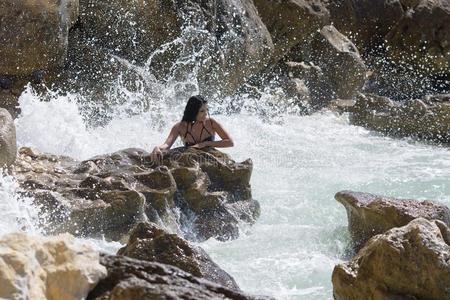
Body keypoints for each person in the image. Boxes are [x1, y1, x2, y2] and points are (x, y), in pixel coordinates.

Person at [150, 95, 234, 162]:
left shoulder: (211, 123)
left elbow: (230, 142)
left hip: (211, 160)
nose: (206, 113)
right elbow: (167, 145)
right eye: (202, 111)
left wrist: (206, 144)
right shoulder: (179, 127)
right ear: (193, 112)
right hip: (190, 161)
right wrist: (157, 148)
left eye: (207, 110)